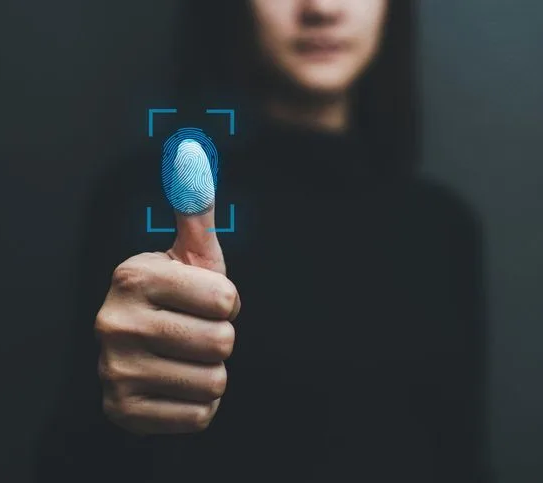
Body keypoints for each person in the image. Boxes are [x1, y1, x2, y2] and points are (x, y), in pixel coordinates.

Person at [36, 1, 486, 481]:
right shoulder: (149, 204)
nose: (322, 8)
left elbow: (462, 459)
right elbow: (71, 455)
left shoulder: (443, 229)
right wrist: (122, 413)